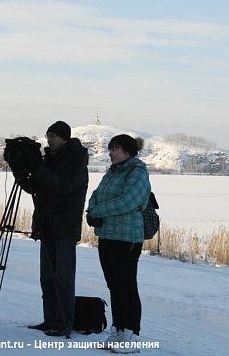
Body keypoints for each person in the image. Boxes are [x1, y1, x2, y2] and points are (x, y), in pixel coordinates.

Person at [18, 121, 89, 338]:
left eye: (54, 136)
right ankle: (50, 319)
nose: (50, 140)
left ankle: (63, 322)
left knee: (63, 277)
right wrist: (20, 171)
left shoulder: (76, 160)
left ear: (65, 138)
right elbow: (36, 188)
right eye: (48, 135)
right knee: (47, 276)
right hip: (46, 224)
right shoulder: (49, 158)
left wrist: (38, 168)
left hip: (65, 227)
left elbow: (63, 185)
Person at [86, 134, 150, 354]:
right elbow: (96, 195)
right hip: (107, 236)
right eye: (110, 148)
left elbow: (129, 201)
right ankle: (117, 329)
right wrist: (91, 210)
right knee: (114, 286)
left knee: (126, 286)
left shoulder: (138, 172)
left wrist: (98, 211)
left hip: (127, 238)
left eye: (115, 148)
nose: (110, 153)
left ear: (128, 151)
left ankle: (130, 333)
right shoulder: (112, 172)